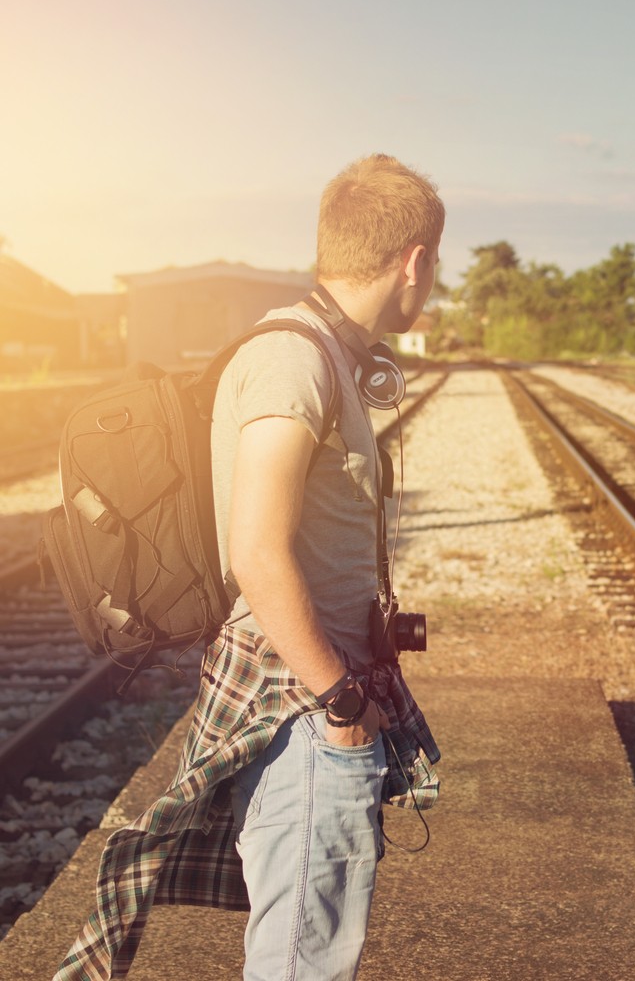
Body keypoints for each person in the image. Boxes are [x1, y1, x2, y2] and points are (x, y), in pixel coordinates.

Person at [54, 153, 444, 981]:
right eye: (435, 266)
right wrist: (340, 701)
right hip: (301, 702)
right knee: (304, 960)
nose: (434, 283)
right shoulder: (292, 361)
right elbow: (258, 551)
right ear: (414, 261)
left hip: (310, 690)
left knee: (304, 944)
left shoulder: (322, 353)